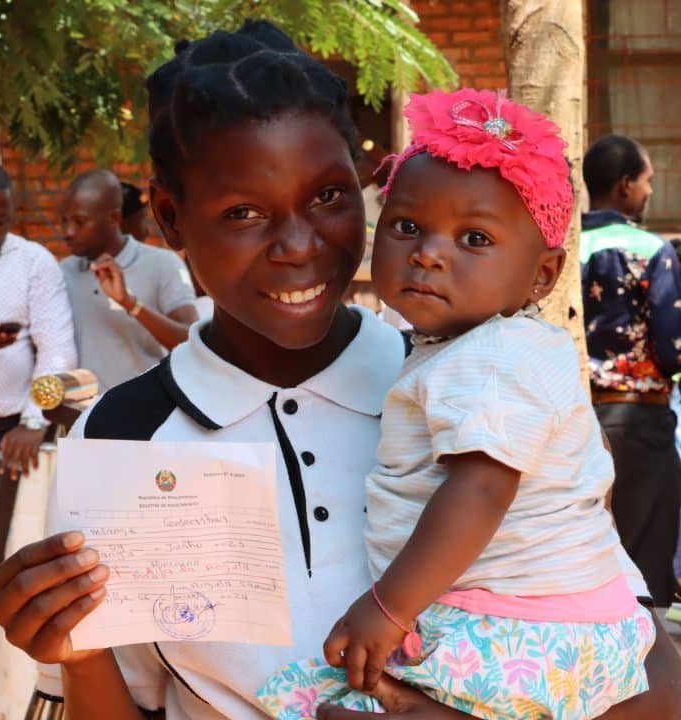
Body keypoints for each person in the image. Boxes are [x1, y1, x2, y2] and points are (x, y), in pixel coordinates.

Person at [0, 23, 681, 720]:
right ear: (170, 218)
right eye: (244, 212)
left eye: (327, 197)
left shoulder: (474, 389)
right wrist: (79, 657)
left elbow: (648, 671)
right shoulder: (122, 439)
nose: (297, 245)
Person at [259, 90, 656, 720]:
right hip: (563, 620)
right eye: (407, 226)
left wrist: (389, 606)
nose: (428, 253)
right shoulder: (493, 350)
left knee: (316, 702)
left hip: (521, 631)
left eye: (474, 237)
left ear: (543, 275)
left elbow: (480, 492)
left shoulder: (491, 359)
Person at [0, 159, 76, 621]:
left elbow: (57, 355)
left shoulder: (34, 263)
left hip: (3, 445)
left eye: (0, 221)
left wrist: (34, 421)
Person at [581, 135, 681, 607]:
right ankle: (647, 670)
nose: (649, 192)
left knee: (586, 549)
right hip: (639, 420)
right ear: (624, 186)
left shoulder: (562, 249)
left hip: (574, 417)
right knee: (645, 549)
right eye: (646, 182)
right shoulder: (651, 249)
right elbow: (671, 347)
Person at [60, 169, 197, 392]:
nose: (68, 232)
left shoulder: (162, 264)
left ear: (114, 218)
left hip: (146, 411)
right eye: (64, 221)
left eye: (79, 222)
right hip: (83, 418)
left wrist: (130, 304)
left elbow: (192, 343)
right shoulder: (63, 271)